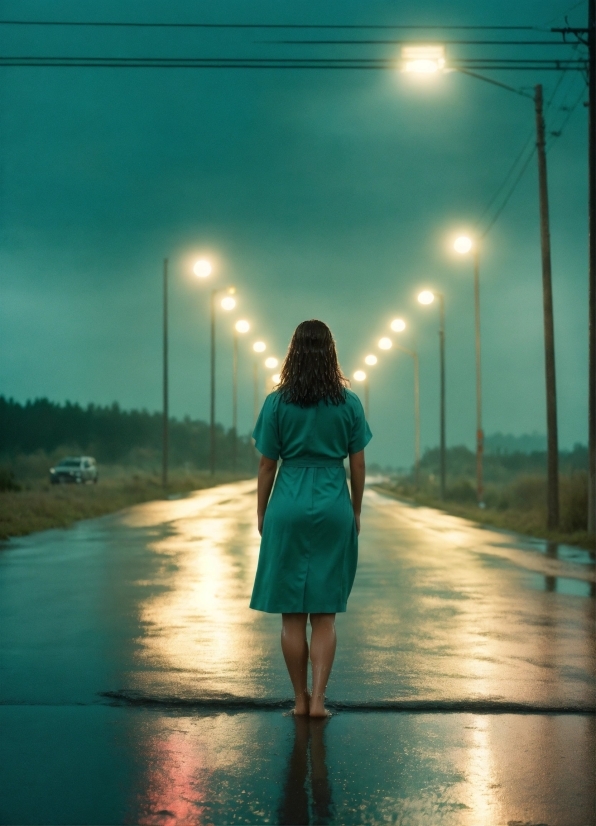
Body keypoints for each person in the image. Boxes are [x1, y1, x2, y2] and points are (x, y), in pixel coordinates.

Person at [250, 319, 372, 717]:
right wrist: (354, 508)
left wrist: (262, 511)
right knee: (324, 614)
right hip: (333, 501)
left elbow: (268, 465)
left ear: (293, 353)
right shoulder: (349, 403)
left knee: (291, 616)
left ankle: (298, 699)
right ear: (331, 352)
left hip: (287, 502)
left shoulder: (277, 402)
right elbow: (357, 463)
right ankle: (320, 700)